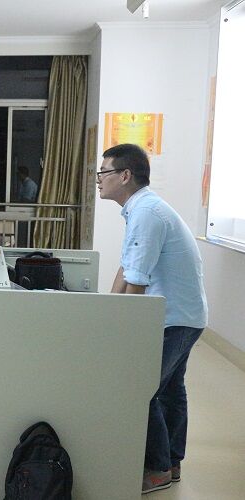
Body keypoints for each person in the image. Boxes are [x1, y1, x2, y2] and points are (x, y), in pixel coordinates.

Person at [98, 144, 207, 494]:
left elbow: (138, 281)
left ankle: (158, 468)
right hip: (183, 315)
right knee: (171, 391)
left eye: (104, 172)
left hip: (174, 319)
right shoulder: (140, 209)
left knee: (139, 390)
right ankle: (171, 463)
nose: (98, 179)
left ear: (125, 176)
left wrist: (127, 331)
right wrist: (107, 312)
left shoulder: (146, 212)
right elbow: (127, 267)